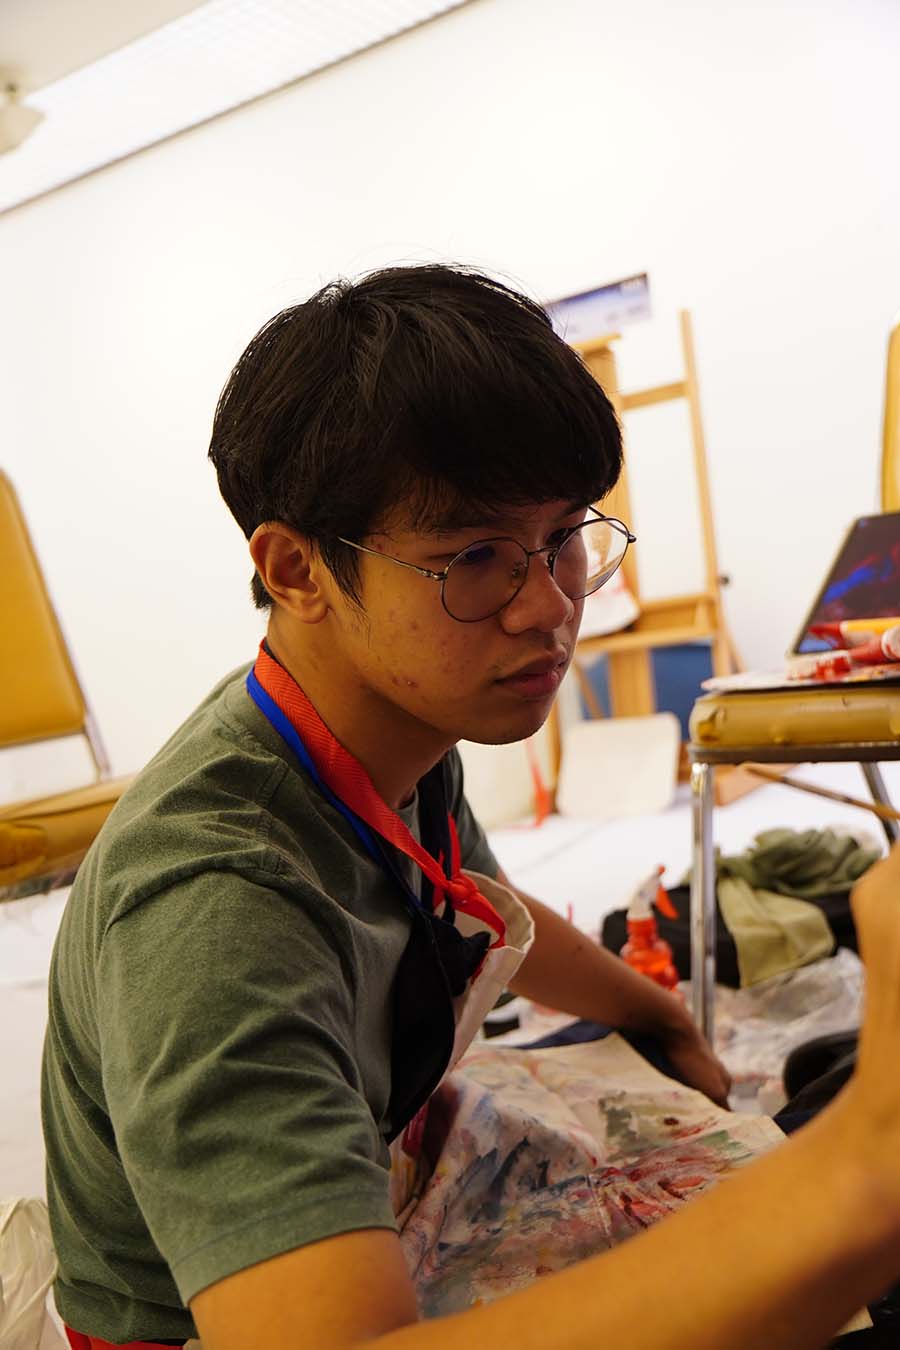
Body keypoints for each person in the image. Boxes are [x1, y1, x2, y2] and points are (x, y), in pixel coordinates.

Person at [42, 265, 900, 1350]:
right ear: (297, 569)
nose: (549, 607)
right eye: (476, 558)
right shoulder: (214, 910)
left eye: (566, 536)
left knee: (807, 1113)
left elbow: (474, 897)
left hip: (393, 1178)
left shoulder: (386, 722)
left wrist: (657, 1012)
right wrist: (869, 1171)